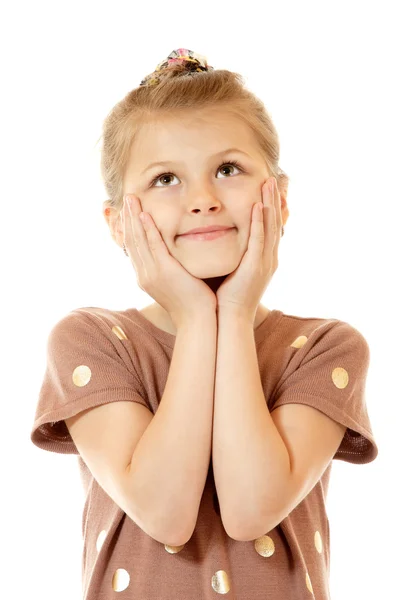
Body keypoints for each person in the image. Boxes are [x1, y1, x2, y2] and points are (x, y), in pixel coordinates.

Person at [30, 48, 379, 599]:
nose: (203, 200)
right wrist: (196, 318)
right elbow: (165, 513)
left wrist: (234, 314)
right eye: (166, 178)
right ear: (119, 222)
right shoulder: (92, 341)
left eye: (228, 169)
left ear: (280, 200)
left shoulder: (324, 348)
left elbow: (250, 510)